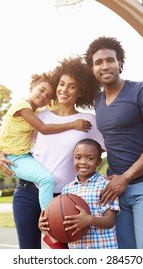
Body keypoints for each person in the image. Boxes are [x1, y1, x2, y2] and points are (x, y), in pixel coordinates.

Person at [0, 56, 105, 249]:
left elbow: (111, 148)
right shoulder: (40, 116)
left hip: (64, 198)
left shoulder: (88, 120)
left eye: (72, 86)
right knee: (28, 255)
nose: (64, 89)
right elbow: (11, 136)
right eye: (62, 84)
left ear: (81, 91)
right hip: (27, 192)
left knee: (64, 254)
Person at [85, 36, 143, 249]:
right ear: (92, 69)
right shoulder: (97, 102)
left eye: (110, 60)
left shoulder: (142, 90)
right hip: (116, 192)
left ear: (120, 63)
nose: (105, 66)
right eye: (98, 62)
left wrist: (126, 177)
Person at [0, 73, 91, 210]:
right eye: (41, 90)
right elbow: (43, 128)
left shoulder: (37, 113)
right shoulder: (22, 106)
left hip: (25, 156)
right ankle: (49, 218)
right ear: (31, 88)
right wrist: (72, 124)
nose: (44, 96)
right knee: (46, 180)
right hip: (15, 158)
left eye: (49, 95)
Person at [39, 138, 120, 249]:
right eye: (78, 158)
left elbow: (110, 221)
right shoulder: (67, 190)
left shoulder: (105, 186)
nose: (82, 162)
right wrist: (46, 226)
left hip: (103, 247)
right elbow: (61, 223)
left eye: (90, 158)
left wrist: (89, 220)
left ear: (99, 162)